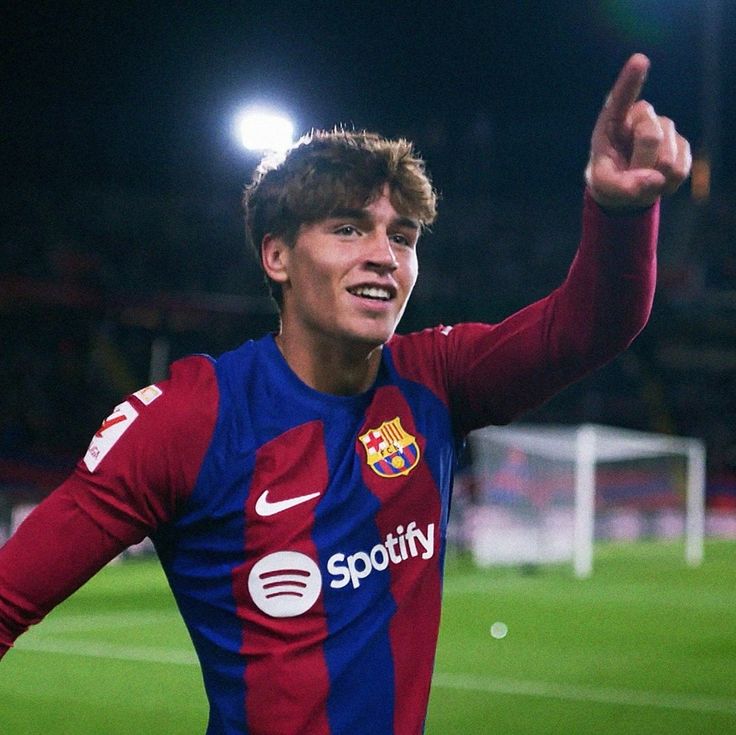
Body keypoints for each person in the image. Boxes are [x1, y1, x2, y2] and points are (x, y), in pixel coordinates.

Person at [0, 54, 690, 734]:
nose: (384, 256)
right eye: (349, 228)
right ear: (277, 256)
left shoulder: (437, 379)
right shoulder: (191, 418)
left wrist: (618, 213)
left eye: (403, 236)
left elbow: (589, 327)